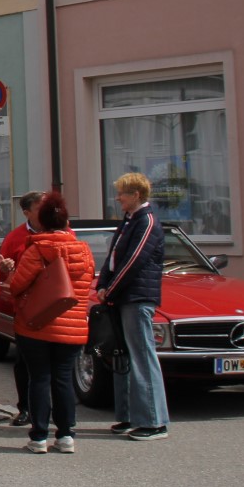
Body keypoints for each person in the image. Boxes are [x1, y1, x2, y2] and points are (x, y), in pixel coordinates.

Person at [7, 191, 94, 453]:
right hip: (72, 325)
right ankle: (66, 434)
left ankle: (39, 436)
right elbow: (87, 283)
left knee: (39, 379)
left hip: (38, 324)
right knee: (63, 379)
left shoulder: (37, 249)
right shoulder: (84, 249)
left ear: (42, 221)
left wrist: (10, 274)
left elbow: (17, 285)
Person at [94, 172, 170, 441]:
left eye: (122, 194)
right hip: (121, 298)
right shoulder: (129, 222)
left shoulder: (146, 222)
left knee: (142, 357)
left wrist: (110, 290)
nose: (118, 198)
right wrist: (102, 285)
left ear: (136, 194)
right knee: (122, 356)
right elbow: (113, 259)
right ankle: (128, 416)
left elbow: (134, 261)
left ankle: (153, 421)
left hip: (136, 298)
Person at [0, 191, 43, 427]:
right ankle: (25, 408)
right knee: (24, 362)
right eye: (40, 208)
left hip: (54, 309)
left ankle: (47, 408)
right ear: (26, 212)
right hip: (24, 310)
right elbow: (0, 270)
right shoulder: (16, 237)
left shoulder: (62, 231)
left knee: (52, 364)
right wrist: (4, 267)